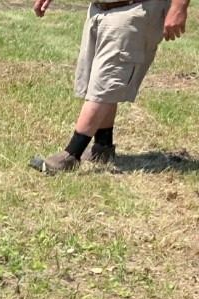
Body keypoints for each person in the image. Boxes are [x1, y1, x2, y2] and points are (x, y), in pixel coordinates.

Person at [31, 0, 188, 174]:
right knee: (99, 80)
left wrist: (179, 6)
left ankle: (71, 155)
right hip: (100, 9)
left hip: (133, 10)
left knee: (106, 82)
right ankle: (102, 147)